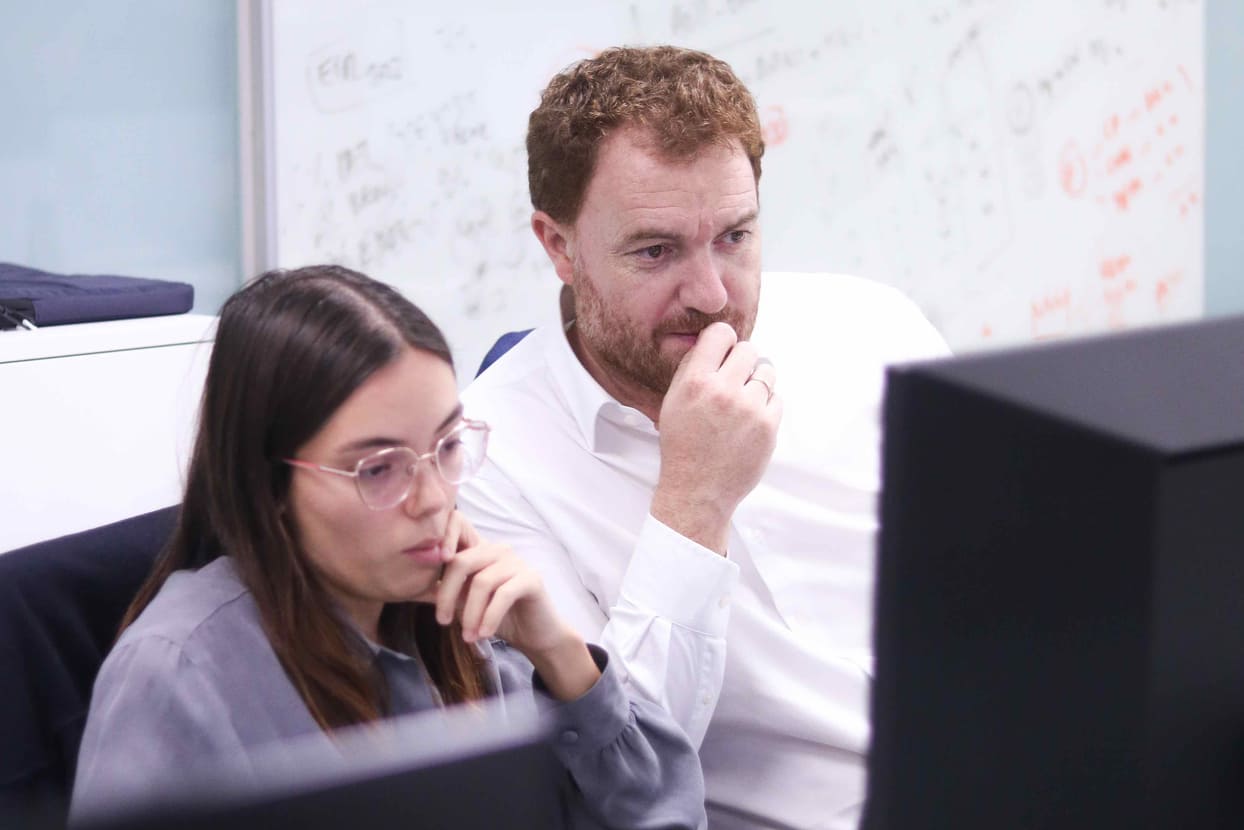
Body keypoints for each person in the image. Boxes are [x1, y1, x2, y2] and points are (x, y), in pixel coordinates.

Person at [457, 46, 951, 829]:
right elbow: (619, 790)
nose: (713, 295)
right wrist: (694, 501)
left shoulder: (872, 328)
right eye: (656, 251)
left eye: (734, 237)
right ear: (558, 245)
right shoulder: (487, 461)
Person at [71, 265, 706, 829]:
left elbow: (668, 816)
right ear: (269, 484)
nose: (433, 499)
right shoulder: (176, 676)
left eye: (447, 447)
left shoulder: (459, 629)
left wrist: (560, 654)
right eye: (378, 469)